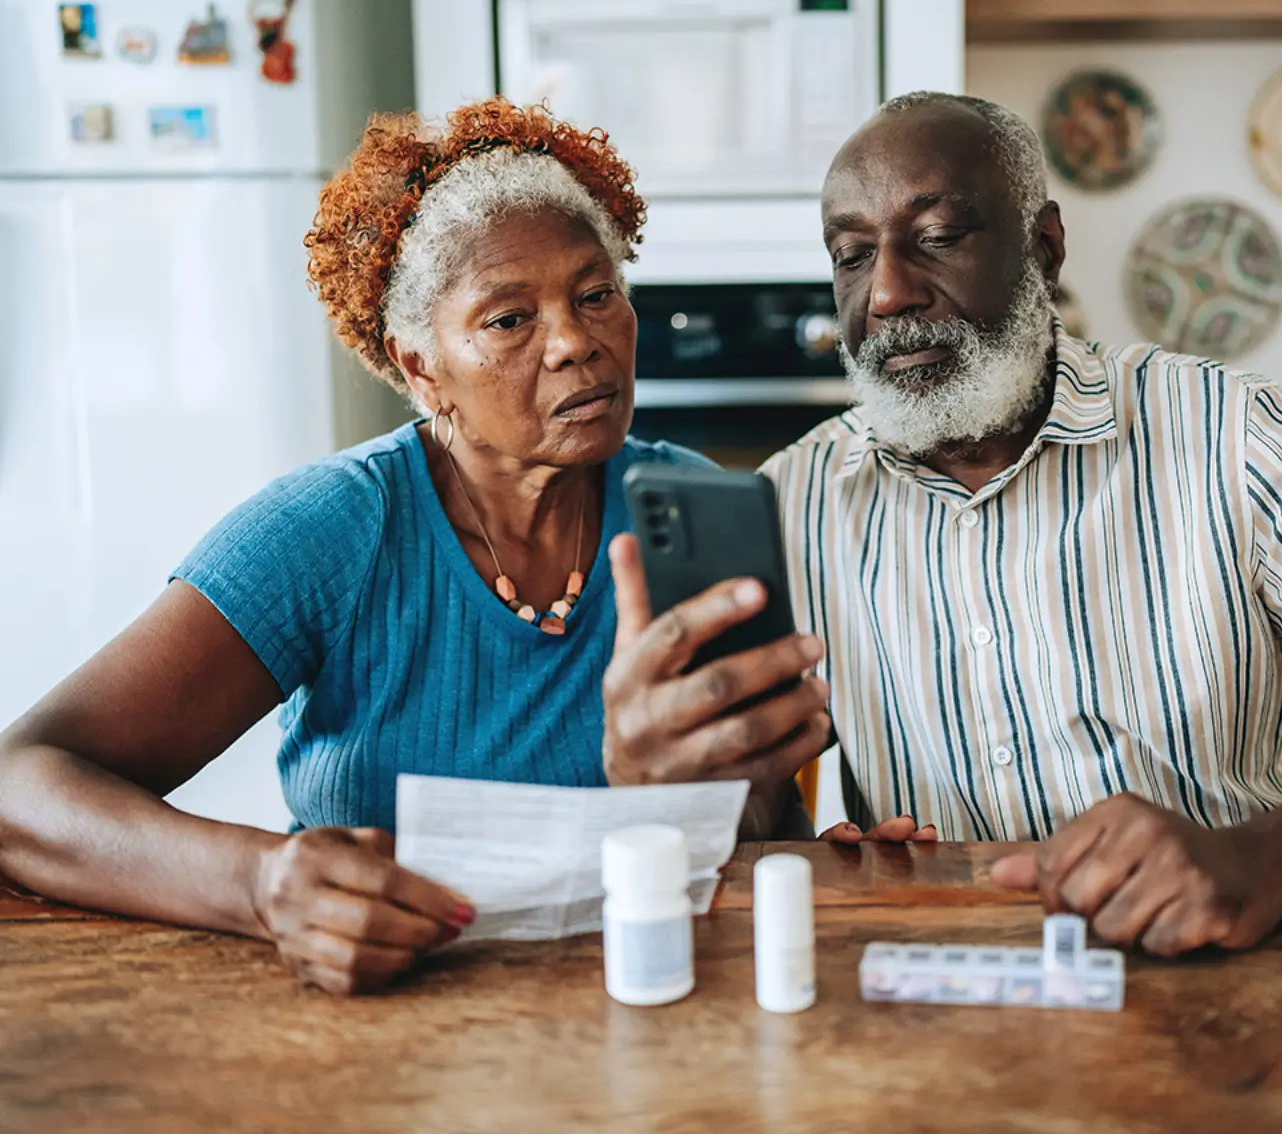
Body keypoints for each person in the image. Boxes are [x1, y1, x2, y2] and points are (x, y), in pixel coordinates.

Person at [605, 92, 1282, 956]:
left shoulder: (1228, 435)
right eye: (852, 257)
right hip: (948, 986)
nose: (887, 293)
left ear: (1046, 247)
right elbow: (760, 828)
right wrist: (744, 812)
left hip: (1241, 966)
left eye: (936, 235)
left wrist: (1258, 862)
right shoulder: (797, 500)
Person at [0, 100, 831, 994]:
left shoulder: (693, 516)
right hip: (387, 1023)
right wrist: (262, 885)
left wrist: (704, 798)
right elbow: (23, 784)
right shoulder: (331, 531)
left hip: (653, 998)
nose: (576, 343)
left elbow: (765, 833)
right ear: (418, 365)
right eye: (510, 320)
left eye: (597, 296)